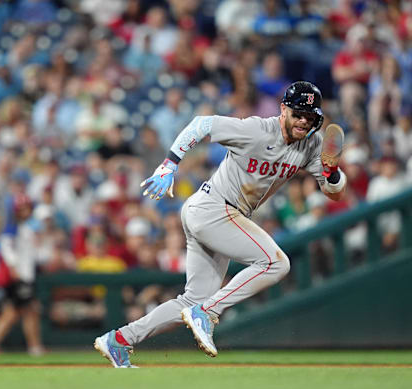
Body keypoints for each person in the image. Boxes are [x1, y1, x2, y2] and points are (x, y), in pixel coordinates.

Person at [94, 81, 346, 367]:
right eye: (298, 113)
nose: (303, 121)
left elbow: (334, 193)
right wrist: (169, 165)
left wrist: (332, 170)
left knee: (191, 301)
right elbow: (202, 124)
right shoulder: (257, 130)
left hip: (217, 215)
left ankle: (119, 340)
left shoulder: (311, 145)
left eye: (310, 116)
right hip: (214, 208)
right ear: (283, 109)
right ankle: (210, 312)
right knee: (276, 263)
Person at [0, 195, 45, 357]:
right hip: (18, 277)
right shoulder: (12, 226)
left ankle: (34, 347)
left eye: (27, 208)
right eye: (22, 208)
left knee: (28, 311)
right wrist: (14, 269)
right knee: (12, 313)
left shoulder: (28, 226)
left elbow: (33, 253)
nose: (26, 211)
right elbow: (6, 248)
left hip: (26, 276)